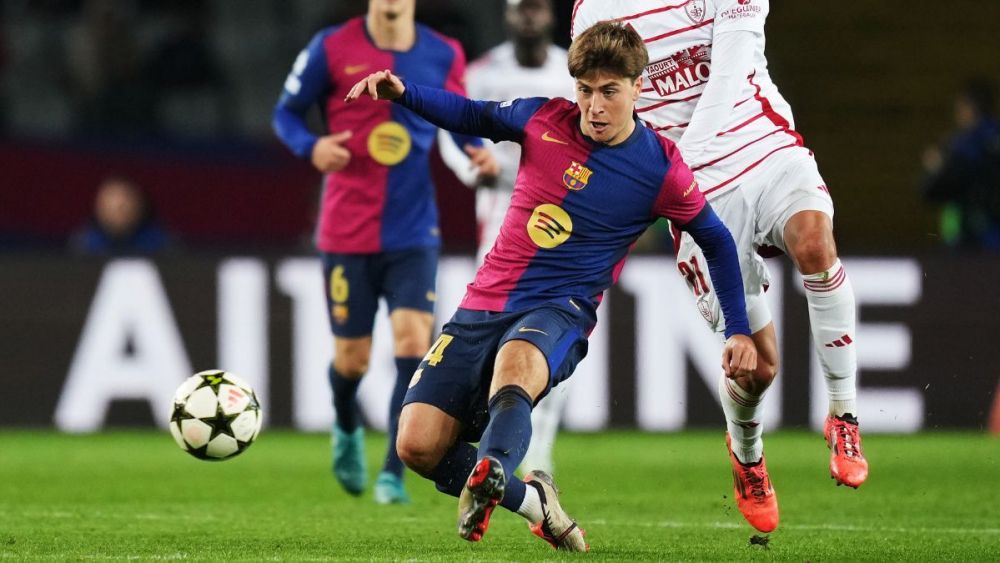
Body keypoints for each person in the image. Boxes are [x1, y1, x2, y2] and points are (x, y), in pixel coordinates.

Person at [346, 21, 757, 550]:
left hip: (559, 309)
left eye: (609, 91)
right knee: (416, 445)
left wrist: (739, 329)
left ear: (637, 87)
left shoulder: (660, 170)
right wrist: (404, 93)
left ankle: (491, 471)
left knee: (515, 368)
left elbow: (718, 242)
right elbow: (474, 114)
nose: (595, 106)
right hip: (483, 303)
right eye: (585, 91)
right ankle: (531, 499)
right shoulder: (543, 118)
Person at [573, 0, 870, 533]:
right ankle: (748, 455)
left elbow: (730, 73)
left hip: (758, 146)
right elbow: (598, 99)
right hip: (693, 192)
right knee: (757, 367)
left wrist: (681, 161)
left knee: (815, 242)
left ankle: (843, 415)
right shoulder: (594, 8)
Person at [271, 0, 498, 505]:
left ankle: (392, 472)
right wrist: (311, 146)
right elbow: (284, 113)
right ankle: (346, 422)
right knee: (352, 361)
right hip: (346, 231)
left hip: (413, 229)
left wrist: (472, 150)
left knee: (413, 346)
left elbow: (457, 116)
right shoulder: (331, 46)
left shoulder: (444, 52)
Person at [439, 0, 575, 476]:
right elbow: (452, 129)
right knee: (495, 341)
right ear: (507, 14)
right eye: (521, 7)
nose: (530, 15)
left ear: (551, 15)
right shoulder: (481, 74)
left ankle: (539, 457)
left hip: (563, 223)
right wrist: (470, 166)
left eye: (537, 6)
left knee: (554, 338)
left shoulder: (573, 72)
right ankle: (491, 440)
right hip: (500, 224)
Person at [922, 78, 1000, 250]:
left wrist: (937, 167)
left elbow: (933, 190)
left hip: (973, 241)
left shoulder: (965, 145)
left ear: (968, 108)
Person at [71, 176, 171, 256]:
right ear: (98, 206)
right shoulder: (82, 245)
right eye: (111, 198)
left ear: (140, 203)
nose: (120, 205)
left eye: (126, 197)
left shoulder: (163, 245)